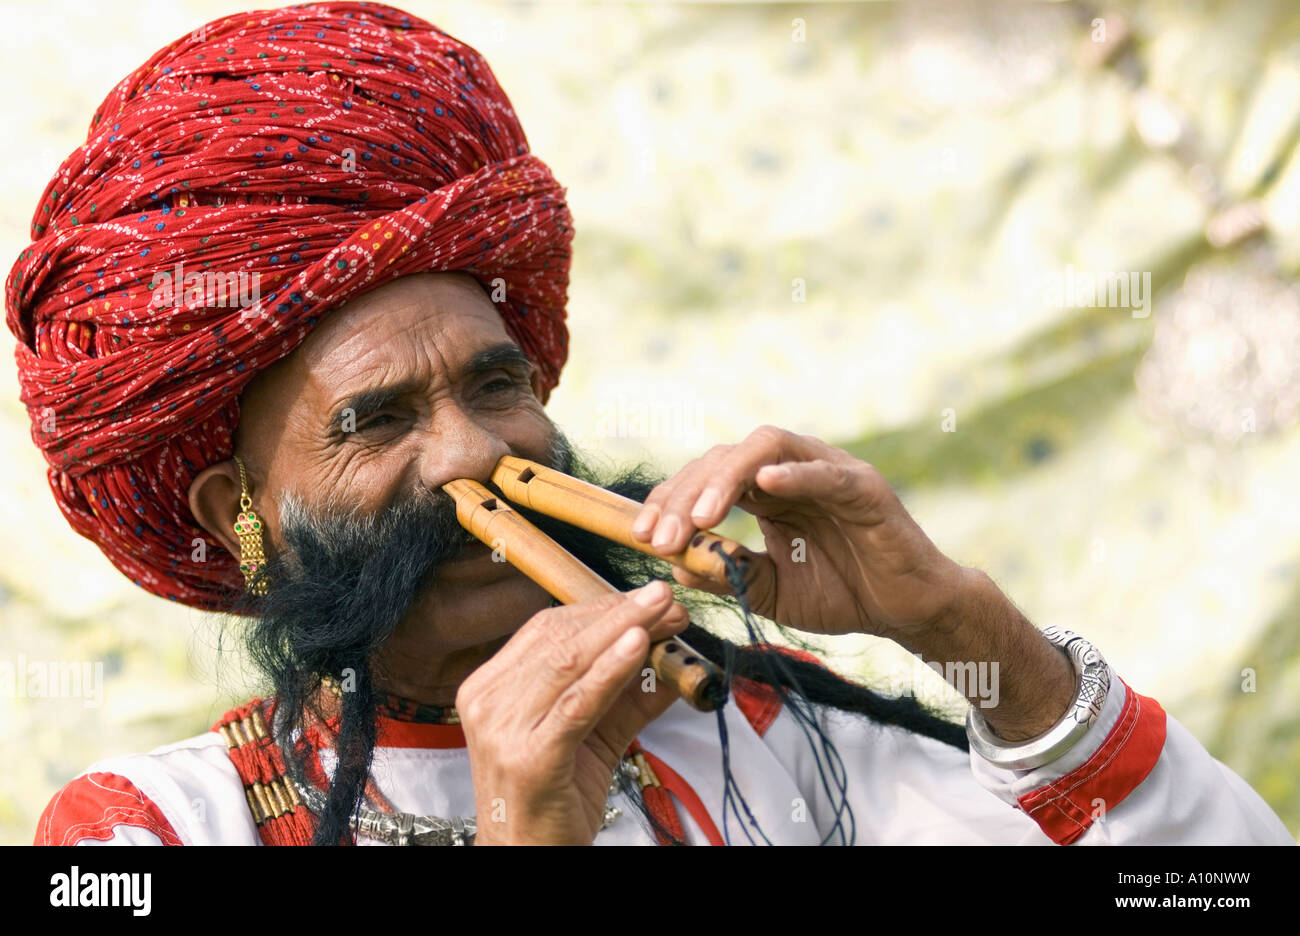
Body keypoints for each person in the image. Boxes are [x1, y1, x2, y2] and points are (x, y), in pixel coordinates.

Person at [12, 3, 1292, 847]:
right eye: (377, 420)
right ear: (238, 516)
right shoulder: (140, 832)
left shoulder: (771, 746)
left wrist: (965, 630)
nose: (474, 455)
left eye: (497, 384)